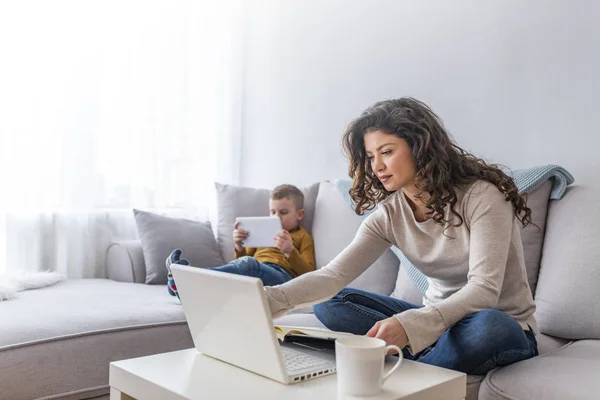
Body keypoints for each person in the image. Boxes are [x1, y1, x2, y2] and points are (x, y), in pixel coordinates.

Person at [263, 98, 538, 375]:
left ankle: (402, 367)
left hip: (502, 325)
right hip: (436, 327)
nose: (377, 166)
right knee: (330, 301)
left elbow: (484, 289)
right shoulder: (388, 216)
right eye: (371, 157)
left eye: (387, 152)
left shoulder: (481, 197)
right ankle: (426, 360)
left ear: (420, 148)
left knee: (491, 327)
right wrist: (267, 299)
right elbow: (332, 277)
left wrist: (412, 325)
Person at [166, 184, 316, 300]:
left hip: (282, 277)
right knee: (243, 268)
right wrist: (239, 245)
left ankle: (186, 278)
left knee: (249, 264)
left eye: (283, 213)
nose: (276, 217)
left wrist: (290, 251)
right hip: (256, 271)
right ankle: (181, 287)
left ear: (300, 214)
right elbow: (239, 265)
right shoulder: (264, 230)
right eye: (272, 212)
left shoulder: (302, 236)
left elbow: (309, 274)